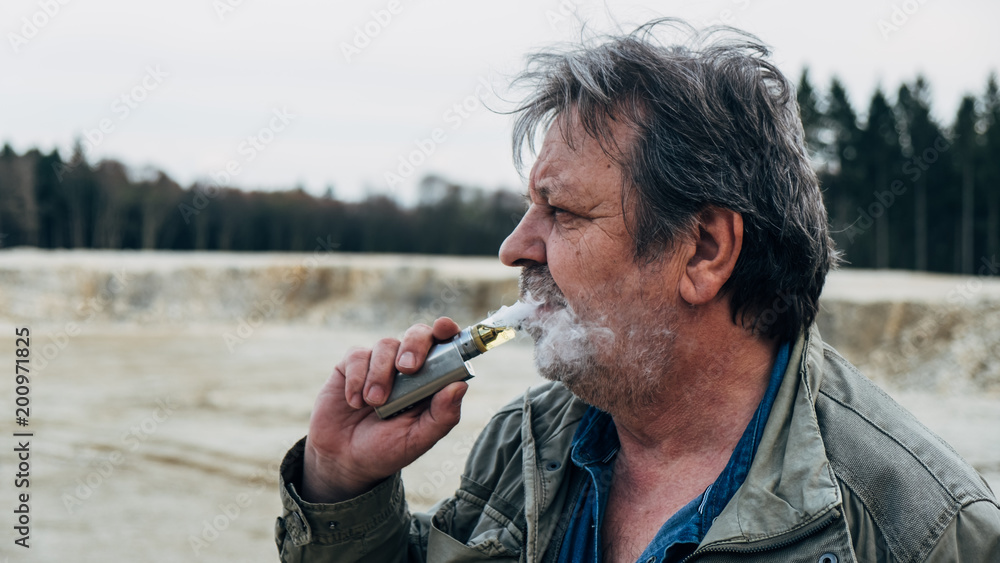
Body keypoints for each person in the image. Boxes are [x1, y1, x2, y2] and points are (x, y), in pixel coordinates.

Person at [275, 19, 1000, 562]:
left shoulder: (923, 528)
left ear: (704, 250)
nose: (514, 248)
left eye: (561, 212)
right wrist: (342, 485)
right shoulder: (523, 445)